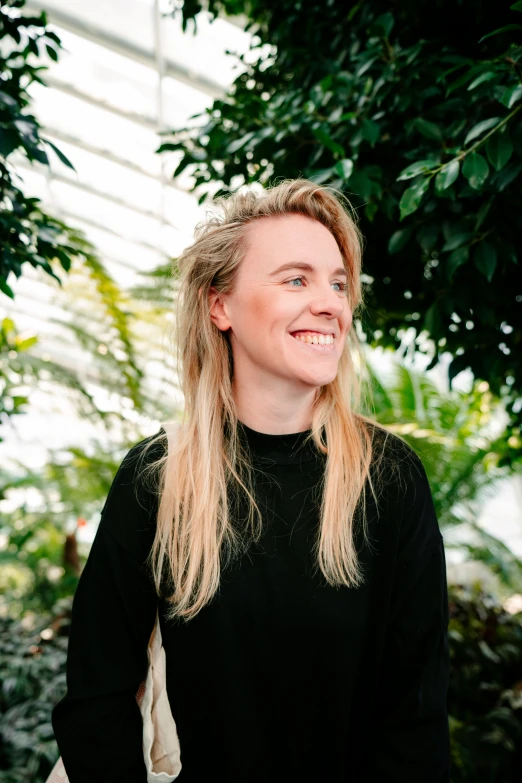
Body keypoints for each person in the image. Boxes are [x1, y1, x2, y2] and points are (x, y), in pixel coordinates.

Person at [52, 178, 451, 782]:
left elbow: (415, 719)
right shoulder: (158, 478)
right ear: (221, 306)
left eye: (339, 284)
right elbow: (95, 699)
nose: (331, 303)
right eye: (297, 279)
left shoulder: (388, 477)